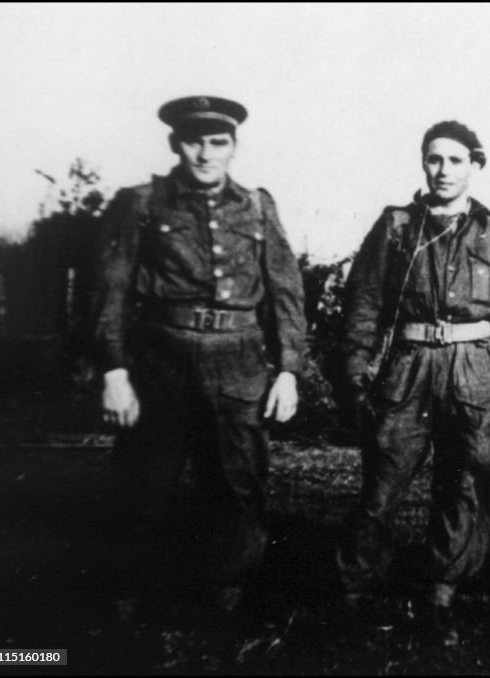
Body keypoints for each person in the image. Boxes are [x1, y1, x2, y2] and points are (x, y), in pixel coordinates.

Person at [92, 95, 306, 611]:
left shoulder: (256, 205)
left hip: (239, 362)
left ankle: (226, 596)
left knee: (238, 484)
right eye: (194, 141)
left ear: (233, 147)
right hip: (163, 357)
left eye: (218, 142)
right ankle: (127, 597)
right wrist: (114, 370)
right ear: (175, 144)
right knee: (144, 481)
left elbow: (285, 292)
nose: (206, 154)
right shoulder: (141, 203)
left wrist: (290, 371)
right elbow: (111, 290)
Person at [337, 120, 490, 646]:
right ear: (423, 163)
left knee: (464, 483)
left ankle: (442, 595)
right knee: (382, 481)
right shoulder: (398, 225)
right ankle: (355, 590)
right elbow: (364, 303)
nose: (443, 170)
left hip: (473, 370)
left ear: (476, 165)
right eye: (434, 159)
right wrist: (354, 374)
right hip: (409, 367)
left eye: (455, 160)